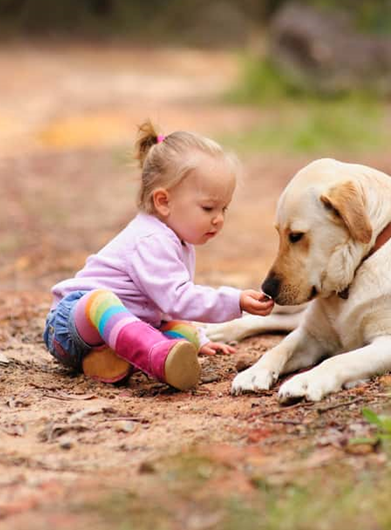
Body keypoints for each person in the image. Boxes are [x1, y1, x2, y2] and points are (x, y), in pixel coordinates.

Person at [44, 120, 274, 390]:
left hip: (114, 332)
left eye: (225, 209)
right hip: (71, 324)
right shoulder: (151, 240)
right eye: (209, 208)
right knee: (102, 300)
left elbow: (166, 305)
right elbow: (177, 298)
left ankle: (109, 360)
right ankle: (155, 356)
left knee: (182, 330)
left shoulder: (178, 241)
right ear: (163, 201)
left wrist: (198, 339)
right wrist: (234, 300)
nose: (219, 219)